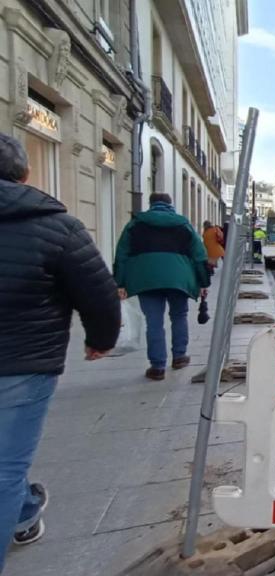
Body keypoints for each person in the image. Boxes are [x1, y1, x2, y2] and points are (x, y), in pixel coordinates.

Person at [0, 133, 120, 565]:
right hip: (23, 363)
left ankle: (25, 512)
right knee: (6, 467)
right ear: (26, 172)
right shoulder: (55, 224)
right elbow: (98, 290)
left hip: (24, 359)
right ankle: (23, 512)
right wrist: (101, 340)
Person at [114, 193, 210, 381]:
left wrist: (120, 283)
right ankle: (180, 356)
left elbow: (122, 255)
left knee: (154, 321)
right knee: (179, 316)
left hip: (146, 279)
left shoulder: (135, 224)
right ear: (170, 204)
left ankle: (157, 366)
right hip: (179, 279)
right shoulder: (183, 225)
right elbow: (199, 256)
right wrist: (203, 282)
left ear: (150, 204)